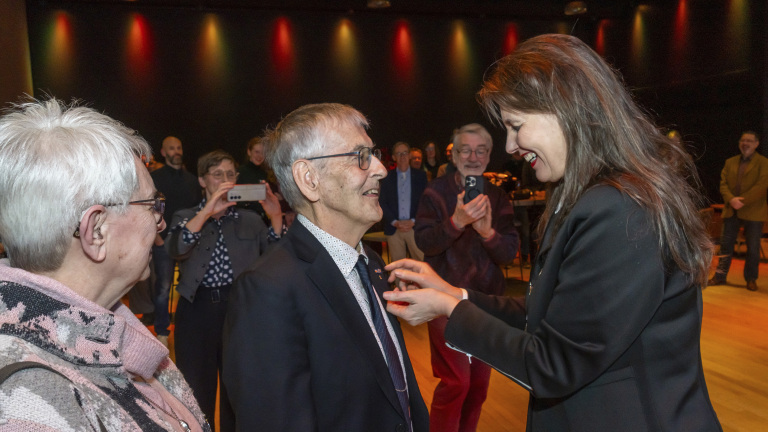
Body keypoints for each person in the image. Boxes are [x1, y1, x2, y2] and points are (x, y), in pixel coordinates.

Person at [384, 34, 722, 432]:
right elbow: (549, 313)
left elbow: (555, 363)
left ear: (564, 109)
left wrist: (448, 311)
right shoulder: (589, 196)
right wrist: (453, 293)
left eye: (516, 126)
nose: (510, 145)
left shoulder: (620, 208)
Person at [0, 98, 209, 431]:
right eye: (152, 205)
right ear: (95, 230)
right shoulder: (29, 400)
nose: (161, 223)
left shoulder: (103, 330)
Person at [222, 103, 429, 431]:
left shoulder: (370, 263)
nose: (380, 169)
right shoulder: (267, 289)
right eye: (361, 156)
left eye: (374, 154)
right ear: (309, 178)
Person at [167, 150, 284, 431]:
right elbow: (176, 249)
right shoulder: (185, 216)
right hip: (196, 312)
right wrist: (208, 211)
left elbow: (276, 261)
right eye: (217, 175)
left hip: (238, 310)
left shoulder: (251, 220)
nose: (225, 180)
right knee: (196, 389)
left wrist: (276, 216)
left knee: (238, 388)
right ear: (202, 180)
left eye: (230, 174)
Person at [414, 123, 519, 432]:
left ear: (488, 157)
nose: (473, 157)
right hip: (443, 298)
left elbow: (509, 252)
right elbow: (424, 241)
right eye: (465, 150)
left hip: (486, 304)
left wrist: (487, 232)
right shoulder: (435, 192)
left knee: (479, 387)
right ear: (454, 154)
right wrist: (456, 222)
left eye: (481, 150)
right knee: (456, 382)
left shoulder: (499, 197)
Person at [150, 136, 200, 346]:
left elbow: (199, 210)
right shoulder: (156, 178)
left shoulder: (191, 179)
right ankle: (162, 330)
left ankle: (190, 327)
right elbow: (150, 209)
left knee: (192, 286)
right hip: (164, 242)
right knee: (163, 289)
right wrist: (158, 238)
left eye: (179, 148)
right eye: (172, 148)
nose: (176, 151)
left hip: (189, 241)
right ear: (163, 152)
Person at [708, 131, 768, 291]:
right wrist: (731, 199)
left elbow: (762, 186)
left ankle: (751, 279)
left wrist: (742, 201)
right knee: (725, 246)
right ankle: (719, 277)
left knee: (753, 248)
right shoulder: (730, 162)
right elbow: (723, 184)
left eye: (749, 141)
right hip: (731, 211)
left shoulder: (764, 163)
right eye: (743, 140)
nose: (745, 143)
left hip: (753, 212)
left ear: (756, 144)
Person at [381, 141, 428, 262]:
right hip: (394, 229)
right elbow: (382, 202)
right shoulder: (386, 177)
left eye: (405, 153)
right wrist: (395, 222)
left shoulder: (421, 176)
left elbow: (425, 202)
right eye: (399, 153)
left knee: (422, 263)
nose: (402, 156)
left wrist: (413, 221)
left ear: (410, 155)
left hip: (414, 227)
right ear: (393, 157)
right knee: (398, 268)